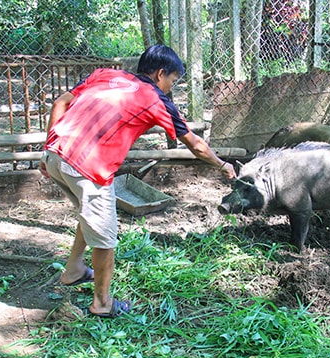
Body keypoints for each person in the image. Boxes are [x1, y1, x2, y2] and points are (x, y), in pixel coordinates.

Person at [39, 44, 236, 318]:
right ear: (159, 74)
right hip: (87, 166)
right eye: (173, 81)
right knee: (105, 238)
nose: (171, 88)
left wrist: (49, 147)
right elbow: (196, 145)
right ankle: (102, 303)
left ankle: (73, 270)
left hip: (55, 155)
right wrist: (222, 164)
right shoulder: (156, 99)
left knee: (91, 215)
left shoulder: (105, 75)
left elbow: (61, 102)